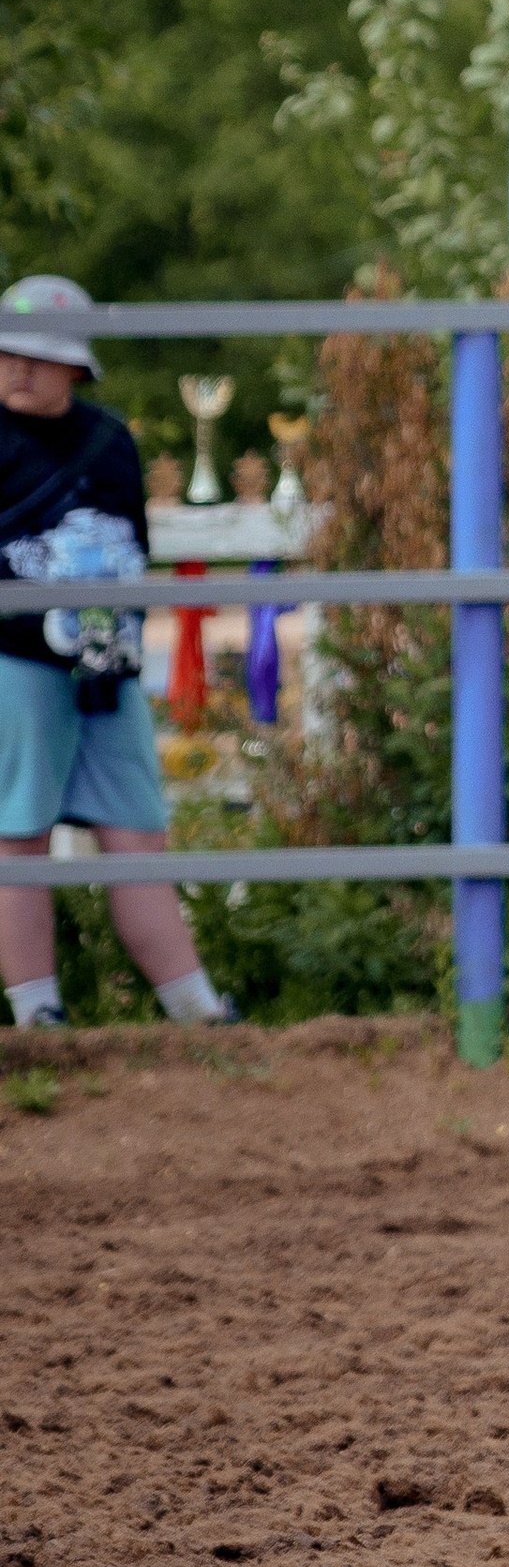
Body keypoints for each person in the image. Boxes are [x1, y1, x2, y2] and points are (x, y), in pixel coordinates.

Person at [0, 274, 232, 1028]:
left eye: (36, 356)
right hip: (17, 667)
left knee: (137, 837)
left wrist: (113, 639)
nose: (18, 370)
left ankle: (195, 1012)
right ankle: (38, 1016)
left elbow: (135, 550)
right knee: (18, 839)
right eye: (8, 354)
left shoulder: (109, 440)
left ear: (74, 366)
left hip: (106, 671)